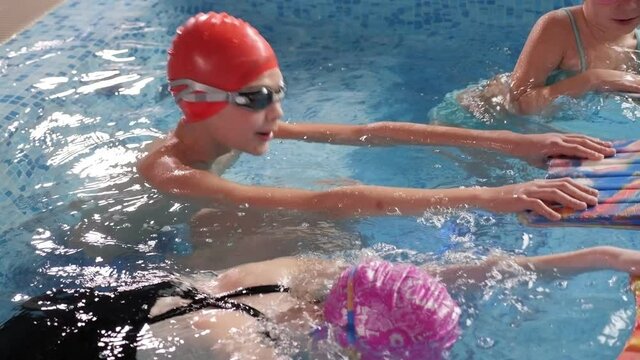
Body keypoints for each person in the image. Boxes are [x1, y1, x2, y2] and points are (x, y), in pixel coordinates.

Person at [137, 12, 617, 225]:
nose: (277, 113)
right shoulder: (172, 174)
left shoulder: (234, 124)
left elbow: (370, 132)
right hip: (137, 257)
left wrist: (517, 143)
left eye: (278, 94)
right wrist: (494, 197)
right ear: (196, 99)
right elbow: (325, 202)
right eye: (258, 97)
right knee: (316, 229)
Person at [2, 245, 640, 359]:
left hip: (81, 301)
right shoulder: (242, 350)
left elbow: (454, 271)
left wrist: (599, 259)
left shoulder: (314, 279)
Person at [459, 0, 640, 117]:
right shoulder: (558, 27)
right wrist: (594, 79)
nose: (629, 5)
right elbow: (517, 105)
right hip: (474, 120)